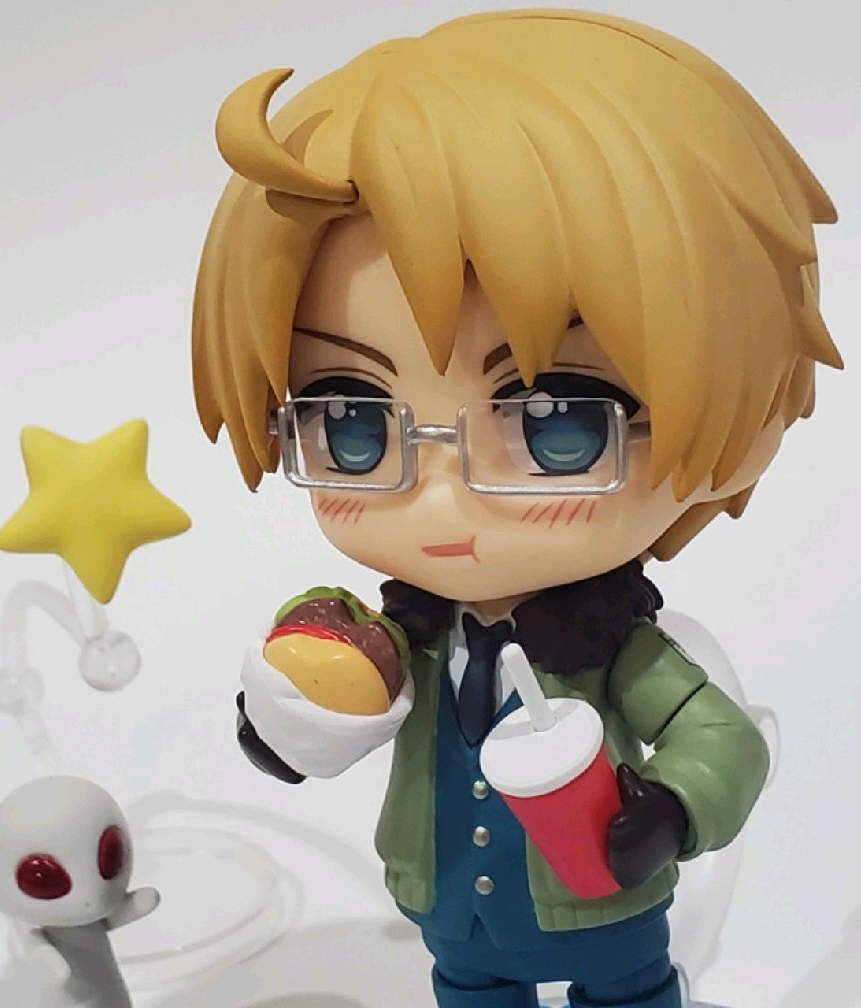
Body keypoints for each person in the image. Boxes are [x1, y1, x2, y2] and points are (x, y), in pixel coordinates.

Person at [191, 11, 842, 1007]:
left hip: (602, 913)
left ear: (741, 420)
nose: (441, 496)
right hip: (452, 910)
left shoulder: (616, 649)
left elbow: (723, 740)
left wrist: (669, 811)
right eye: (354, 425)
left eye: (556, 425)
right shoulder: (397, 637)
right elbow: (332, 700)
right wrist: (285, 725)